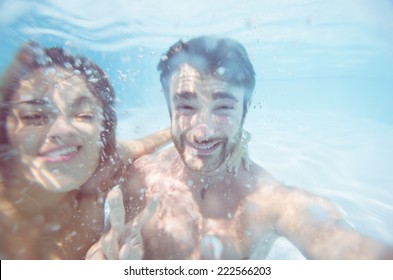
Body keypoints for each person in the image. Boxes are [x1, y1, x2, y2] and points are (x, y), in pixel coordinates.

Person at [94, 35, 393, 260]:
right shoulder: (138, 177)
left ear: (246, 108)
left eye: (223, 107)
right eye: (186, 105)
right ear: (168, 104)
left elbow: (333, 238)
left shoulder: (267, 201)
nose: (202, 132)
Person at [0, 41, 173, 259]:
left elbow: (149, 142)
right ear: (5, 132)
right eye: (35, 116)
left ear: (103, 129)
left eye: (83, 115)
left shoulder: (102, 165)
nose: (62, 130)